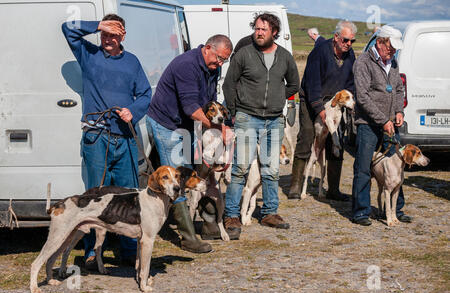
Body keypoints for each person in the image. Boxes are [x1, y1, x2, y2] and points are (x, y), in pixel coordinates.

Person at [62, 14, 152, 268]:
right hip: (96, 136)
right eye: (105, 34)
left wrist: (133, 110)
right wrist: (98, 25)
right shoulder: (88, 54)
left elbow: (146, 94)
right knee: (94, 196)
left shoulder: (132, 62)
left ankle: (130, 249)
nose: (108, 39)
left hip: (124, 138)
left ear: (123, 35)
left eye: (114, 34)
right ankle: (92, 251)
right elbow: (67, 28)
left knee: (127, 194)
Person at [146, 34, 233, 253]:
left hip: (187, 126)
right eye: (219, 58)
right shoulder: (186, 65)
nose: (220, 64)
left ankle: (210, 225)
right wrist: (218, 129)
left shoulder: (213, 67)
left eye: (224, 60)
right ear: (207, 48)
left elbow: (209, 101)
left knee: (198, 173)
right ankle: (187, 237)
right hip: (167, 124)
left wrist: (223, 124)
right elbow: (190, 107)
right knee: (178, 177)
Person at [222, 13, 300, 239]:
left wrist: (277, 98)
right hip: (247, 117)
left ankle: (269, 213)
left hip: (274, 119)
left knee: (271, 169)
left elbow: (294, 84)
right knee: (240, 169)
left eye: (263, 29)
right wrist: (236, 112)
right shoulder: (244, 55)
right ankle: (232, 216)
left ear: (274, 32)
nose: (259, 32)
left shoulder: (285, 57)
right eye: (256, 28)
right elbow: (229, 85)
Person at [288, 20, 357, 201]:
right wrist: (320, 109)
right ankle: (295, 186)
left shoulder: (350, 57)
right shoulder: (319, 52)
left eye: (352, 41)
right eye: (345, 40)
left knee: (336, 142)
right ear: (336, 37)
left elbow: (350, 84)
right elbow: (312, 84)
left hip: (335, 102)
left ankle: (333, 189)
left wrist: (349, 104)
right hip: (311, 100)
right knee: (307, 137)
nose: (348, 44)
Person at [351, 25, 412, 226]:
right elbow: (363, 97)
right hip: (368, 124)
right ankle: (361, 211)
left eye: (395, 48)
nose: (393, 51)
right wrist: (383, 120)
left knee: (397, 166)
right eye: (390, 47)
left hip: (390, 125)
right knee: (363, 168)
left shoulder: (393, 63)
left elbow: (398, 90)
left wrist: (398, 112)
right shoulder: (363, 63)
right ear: (380, 42)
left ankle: (396, 209)